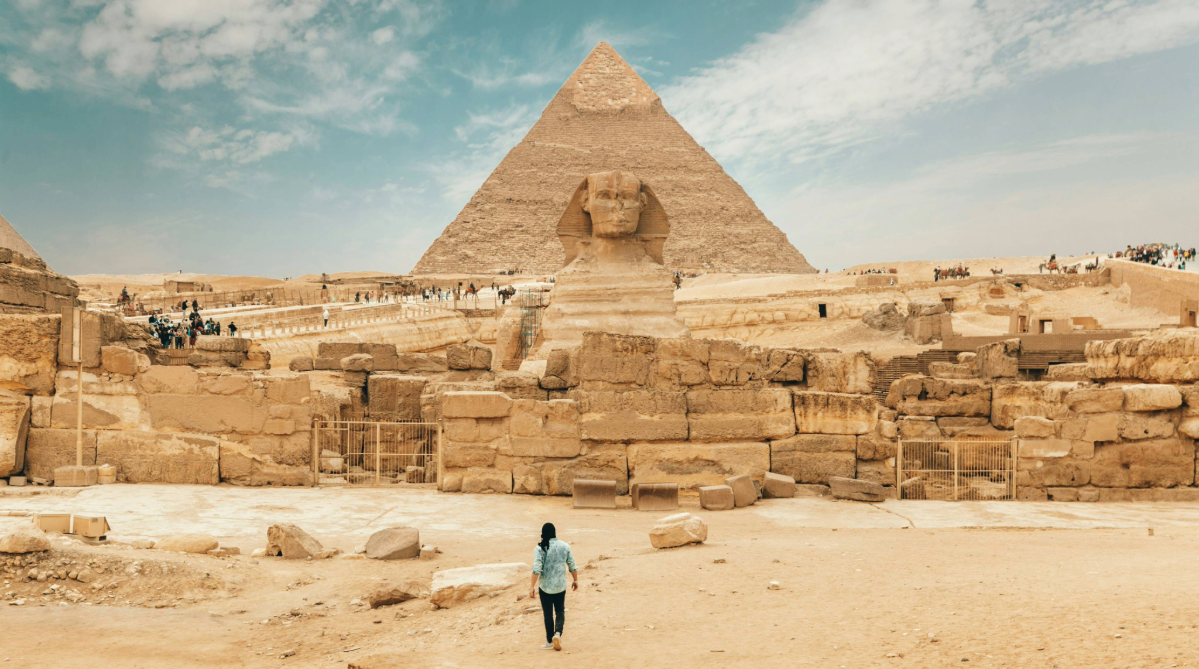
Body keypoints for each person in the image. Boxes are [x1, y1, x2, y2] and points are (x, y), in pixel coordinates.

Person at [529, 523, 577, 652]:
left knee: (548, 614)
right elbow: (572, 564)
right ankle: (558, 633)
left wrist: (532, 586)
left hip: (545, 587)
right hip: (560, 585)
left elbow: (537, 568)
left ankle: (550, 640)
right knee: (560, 611)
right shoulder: (565, 546)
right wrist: (575, 580)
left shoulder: (540, 548)